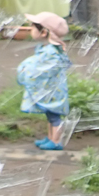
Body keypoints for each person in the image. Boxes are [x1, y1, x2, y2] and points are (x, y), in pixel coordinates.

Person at [17, 12, 72, 151]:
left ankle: (56, 141)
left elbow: (43, 70)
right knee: (50, 115)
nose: (30, 29)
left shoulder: (51, 52)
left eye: (33, 27)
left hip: (52, 90)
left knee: (54, 117)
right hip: (49, 90)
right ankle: (50, 138)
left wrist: (28, 73)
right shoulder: (47, 49)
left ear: (43, 32)